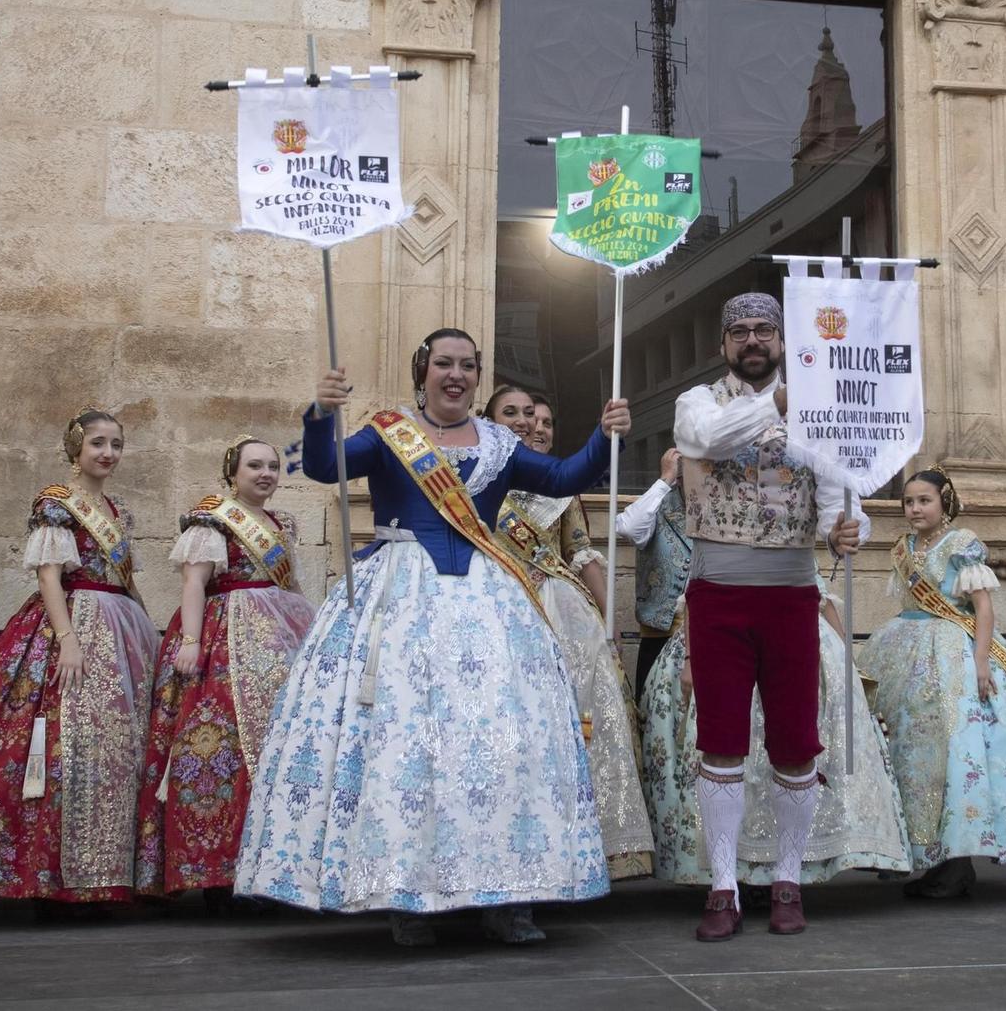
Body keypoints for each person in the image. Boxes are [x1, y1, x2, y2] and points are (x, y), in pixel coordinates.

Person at [235, 328, 627, 947]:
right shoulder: (390, 431)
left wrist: (606, 434)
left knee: (504, 741)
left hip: (489, 602)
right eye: (444, 364)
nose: (456, 375)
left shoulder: (501, 442)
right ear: (423, 371)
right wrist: (321, 414)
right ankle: (405, 896)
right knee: (404, 742)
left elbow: (564, 476)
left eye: (467, 366)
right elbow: (323, 467)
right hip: (400, 596)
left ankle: (512, 894)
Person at [672, 291, 865, 940]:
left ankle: (788, 877)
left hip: (790, 593)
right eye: (741, 332)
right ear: (724, 345)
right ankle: (722, 885)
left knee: (794, 741)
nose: (753, 341)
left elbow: (843, 493)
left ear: (783, 340)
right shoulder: (696, 403)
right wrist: (779, 403)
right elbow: (706, 439)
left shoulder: (823, 407)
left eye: (765, 331)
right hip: (718, 591)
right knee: (720, 739)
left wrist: (849, 527)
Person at [0, 408, 155, 917]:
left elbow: (125, 578)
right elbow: (48, 575)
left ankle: (104, 871)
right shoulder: (55, 503)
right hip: (73, 618)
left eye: (116, 444)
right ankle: (50, 877)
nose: (107, 453)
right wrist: (66, 639)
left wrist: (148, 628)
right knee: (67, 742)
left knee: (116, 749)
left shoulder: (118, 510)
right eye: (98, 443)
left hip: (120, 622)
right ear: (75, 449)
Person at [636, 571, 910, 895]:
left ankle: (787, 876)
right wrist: (690, 657)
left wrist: (849, 667)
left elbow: (819, 595)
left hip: (791, 638)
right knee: (725, 756)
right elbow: (698, 593)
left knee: (792, 756)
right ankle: (730, 879)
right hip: (726, 638)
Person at [136, 436, 316, 910]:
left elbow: (292, 585)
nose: (265, 473)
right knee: (222, 749)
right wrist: (192, 643)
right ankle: (217, 874)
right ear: (232, 472)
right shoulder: (211, 518)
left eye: (273, 465)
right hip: (225, 640)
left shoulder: (283, 523)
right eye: (254, 465)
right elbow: (193, 583)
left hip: (279, 640)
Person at [487, 389, 655, 882]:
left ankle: (595, 844)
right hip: (497, 602)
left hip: (559, 608)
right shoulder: (475, 475)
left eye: (542, 420)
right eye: (517, 416)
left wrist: (607, 625)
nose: (533, 427)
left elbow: (581, 552)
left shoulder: (559, 489)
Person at [862, 469, 1006, 897]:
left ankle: (956, 861)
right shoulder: (902, 548)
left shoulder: (962, 545)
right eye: (909, 501)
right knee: (913, 755)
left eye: (924, 501)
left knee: (955, 751)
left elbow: (983, 608)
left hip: (954, 655)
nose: (915, 509)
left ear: (944, 502)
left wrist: (981, 660)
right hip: (906, 652)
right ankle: (923, 856)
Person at [618, 447, 692, 694]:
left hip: (711, 639)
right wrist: (665, 479)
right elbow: (629, 528)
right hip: (660, 639)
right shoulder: (660, 504)